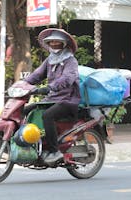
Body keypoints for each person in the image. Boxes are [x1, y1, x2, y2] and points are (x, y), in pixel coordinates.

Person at [24, 28, 80, 164]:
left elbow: (67, 78)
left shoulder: (71, 61)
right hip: (51, 99)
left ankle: (55, 151)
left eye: (57, 41)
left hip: (68, 100)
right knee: (26, 109)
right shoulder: (50, 60)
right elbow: (37, 75)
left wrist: (50, 87)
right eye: (51, 42)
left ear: (64, 44)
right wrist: (23, 84)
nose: (54, 44)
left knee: (47, 115)